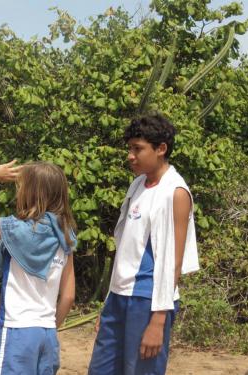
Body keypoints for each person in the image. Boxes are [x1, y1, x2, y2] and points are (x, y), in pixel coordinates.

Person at [88, 114, 199, 375]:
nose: (130, 156)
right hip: (119, 297)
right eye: (130, 148)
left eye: (138, 149)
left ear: (161, 149)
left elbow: (173, 260)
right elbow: (127, 248)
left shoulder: (175, 193)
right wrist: (108, 304)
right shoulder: (138, 184)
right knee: (100, 369)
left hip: (148, 299)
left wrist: (158, 320)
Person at [0, 160, 76, 375]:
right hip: (47, 335)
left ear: (30, 193)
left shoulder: (17, 230)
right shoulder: (65, 236)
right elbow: (68, 297)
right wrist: (50, 327)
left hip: (17, 332)